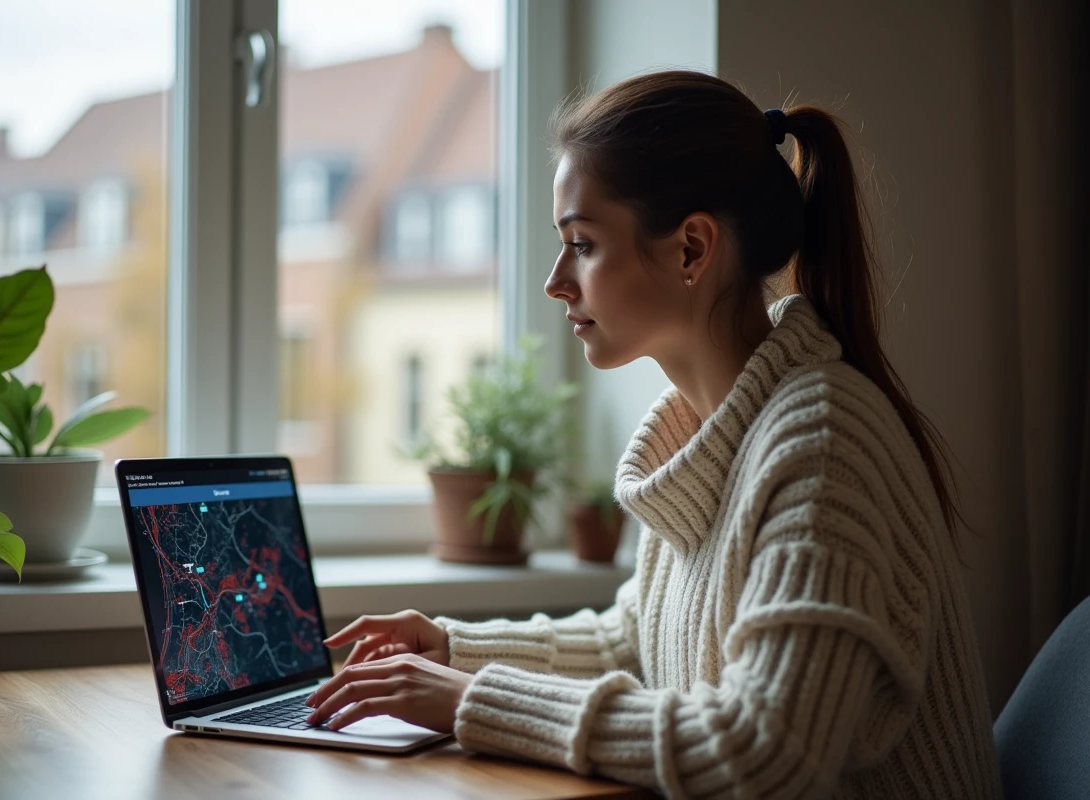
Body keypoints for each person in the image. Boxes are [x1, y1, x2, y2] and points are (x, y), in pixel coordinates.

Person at [304, 70, 1003, 798]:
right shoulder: (707, 433)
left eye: (582, 243)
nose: (554, 281)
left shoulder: (823, 445)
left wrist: (466, 701)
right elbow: (637, 642)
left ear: (692, 250)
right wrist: (453, 648)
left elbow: (763, 752)